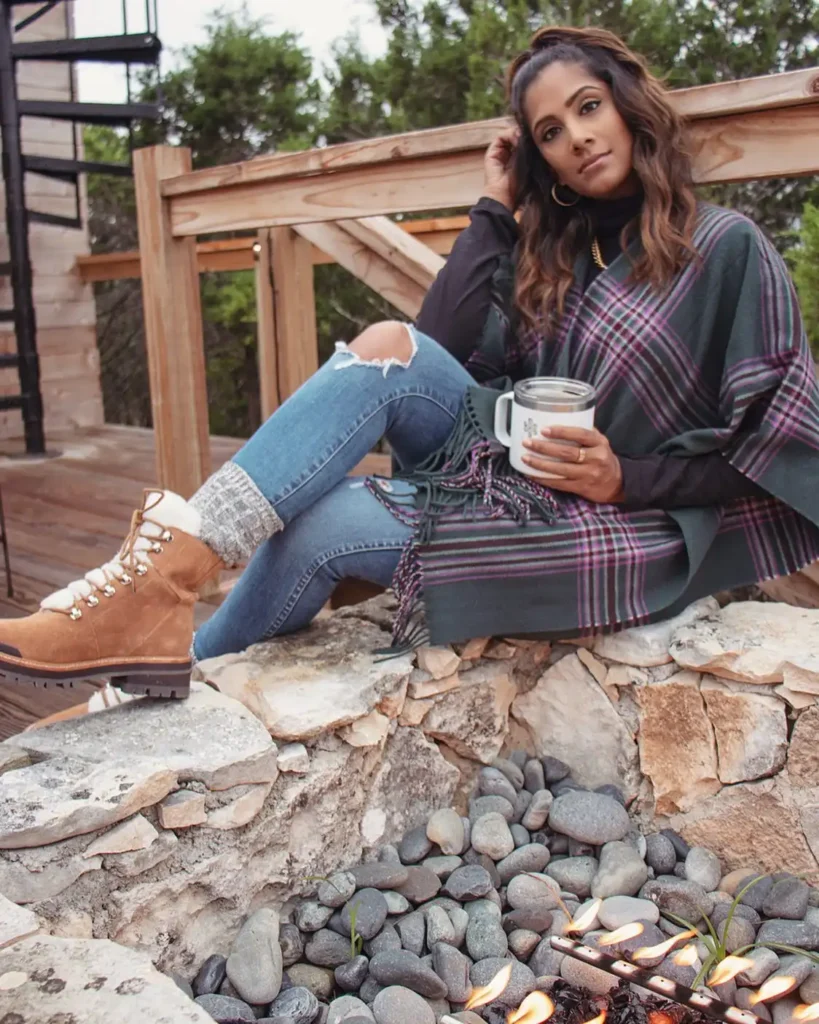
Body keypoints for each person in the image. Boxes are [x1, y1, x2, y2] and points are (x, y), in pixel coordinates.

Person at [2, 25, 818, 702]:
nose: (576, 138)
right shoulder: (555, 254)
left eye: (586, 107)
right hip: (514, 480)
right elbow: (435, 345)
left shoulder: (725, 248)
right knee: (389, 345)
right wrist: (495, 206)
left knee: (323, 524)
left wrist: (624, 479)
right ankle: (158, 592)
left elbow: (779, 451)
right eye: (548, 133)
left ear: (626, 104)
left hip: (627, 523)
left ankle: (168, 652)